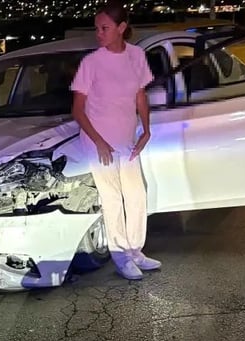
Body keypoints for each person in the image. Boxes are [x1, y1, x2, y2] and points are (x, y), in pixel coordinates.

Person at [70, 1, 160, 281]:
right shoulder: (92, 63)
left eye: (104, 28)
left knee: (136, 194)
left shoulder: (136, 57)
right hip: (100, 143)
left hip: (127, 138)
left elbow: (140, 96)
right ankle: (120, 256)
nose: (99, 33)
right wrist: (98, 141)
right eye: (97, 28)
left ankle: (135, 250)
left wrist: (146, 129)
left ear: (121, 28)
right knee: (112, 198)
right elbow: (78, 109)